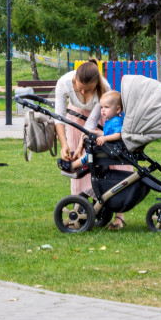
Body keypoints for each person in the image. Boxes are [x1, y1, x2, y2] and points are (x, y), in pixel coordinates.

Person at [54, 58, 131, 230]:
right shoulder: (64, 83)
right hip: (74, 121)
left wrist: (82, 147)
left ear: (96, 84)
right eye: (79, 87)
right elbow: (59, 117)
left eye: (87, 90)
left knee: (108, 162)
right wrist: (64, 144)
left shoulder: (104, 87)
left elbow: (91, 124)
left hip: (100, 123)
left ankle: (119, 215)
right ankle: (80, 208)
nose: (81, 91)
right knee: (84, 167)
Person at [58, 91, 124, 172]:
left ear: (117, 109)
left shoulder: (116, 121)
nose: (103, 110)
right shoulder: (110, 120)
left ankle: (72, 166)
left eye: (106, 107)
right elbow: (108, 133)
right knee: (89, 149)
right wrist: (96, 132)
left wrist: (105, 138)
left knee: (90, 154)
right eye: (101, 107)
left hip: (113, 147)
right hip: (108, 146)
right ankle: (75, 159)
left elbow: (118, 135)